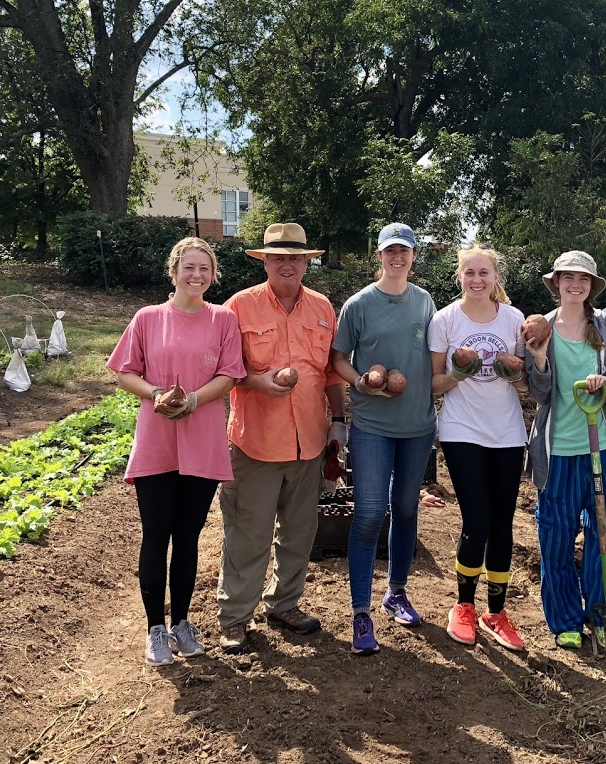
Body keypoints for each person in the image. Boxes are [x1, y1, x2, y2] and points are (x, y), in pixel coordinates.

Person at [107, 237, 245, 666]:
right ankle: (155, 628)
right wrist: (158, 394)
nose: (197, 275)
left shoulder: (223, 320)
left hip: (201, 441)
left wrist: (194, 401)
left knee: (187, 538)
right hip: (157, 443)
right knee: (156, 536)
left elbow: (230, 375)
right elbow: (124, 372)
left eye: (205, 268)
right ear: (174, 272)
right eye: (189, 267)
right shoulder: (148, 318)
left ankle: (182, 623)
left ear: (213, 274)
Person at [216, 223, 347, 654]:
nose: (287, 264)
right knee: (247, 533)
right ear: (265, 261)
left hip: (307, 440)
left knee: (299, 532)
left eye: (296, 257)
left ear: (307, 262)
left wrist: (339, 420)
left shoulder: (324, 308)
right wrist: (257, 381)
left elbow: (330, 371)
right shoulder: (239, 307)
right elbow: (225, 371)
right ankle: (235, 617)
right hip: (255, 442)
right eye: (278, 257)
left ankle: (284, 604)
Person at [331, 223, 437, 656]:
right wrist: (362, 381)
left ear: (413, 257)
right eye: (390, 251)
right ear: (378, 256)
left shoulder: (426, 302)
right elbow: (337, 359)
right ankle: (361, 612)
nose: (397, 258)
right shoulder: (358, 305)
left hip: (417, 426)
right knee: (371, 512)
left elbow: (438, 355)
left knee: (407, 507)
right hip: (373, 424)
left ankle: (396, 592)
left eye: (405, 252)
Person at [524, 250, 606, 651]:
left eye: (583, 279)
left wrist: (604, 385)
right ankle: (566, 619)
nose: (575, 284)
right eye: (567, 278)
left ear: (592, 286)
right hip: (558, 453)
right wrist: (538, 360)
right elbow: (539, 394)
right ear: (556, 283)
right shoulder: (541, 329)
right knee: (556, 538)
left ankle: (605, 616)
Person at [429, 244, 529, 652]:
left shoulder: (515, 319)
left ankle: (497, 612)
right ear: (459, 277)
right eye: (469, 273)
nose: (476, 280)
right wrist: (459, 371)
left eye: (483, 273)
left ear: (495, 277)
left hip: (507, 430)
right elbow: (434, 385)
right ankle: (464, 605)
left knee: (503, 520)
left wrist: (513, 372)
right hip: (460, 428)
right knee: (479, 517)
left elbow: (525, 385)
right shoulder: (444, 319)